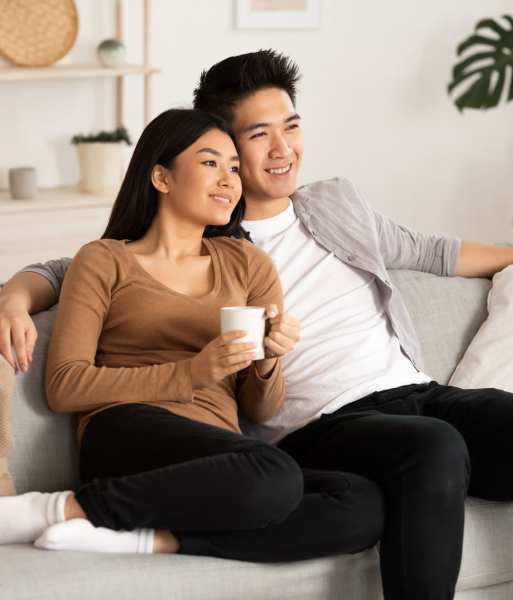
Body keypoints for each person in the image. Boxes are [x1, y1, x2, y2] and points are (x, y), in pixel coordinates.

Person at [3, 50, 513, 598]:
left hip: (416, 394)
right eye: (256, 137)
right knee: (432, 449)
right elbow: (82, 265)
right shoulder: (208, 236)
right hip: (324, 426)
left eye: (290, 126)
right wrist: (13, 293)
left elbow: (434, 250)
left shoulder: (332, 206)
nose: (281, 149)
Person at [0, 108, 384, 563]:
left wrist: (267, 359)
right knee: (274, 474)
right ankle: (53, 509)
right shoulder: (104, 260)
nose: (229, 179)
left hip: (220, 453)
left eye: (234, 167)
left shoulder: (248, 263)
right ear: (161, 177)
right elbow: (64, 385)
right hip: (125, 429)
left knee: (361, 502)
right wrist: (191, 373)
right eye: (209, 163)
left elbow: (260, 408)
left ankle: (148, 538)